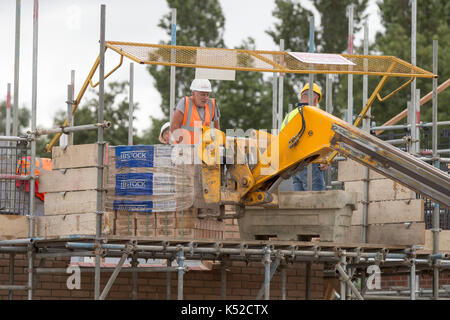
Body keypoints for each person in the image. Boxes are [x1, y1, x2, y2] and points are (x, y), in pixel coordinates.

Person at [280, 82, 328, 191]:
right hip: (309, 162)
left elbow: (282, 139)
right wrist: (324, 159)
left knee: (300, 202)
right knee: (316, 199)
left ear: (302, 96)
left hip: (293, 165)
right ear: (315, 99)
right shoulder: (314, 114)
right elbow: (320, 139)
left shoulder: (289, 115)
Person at [170, 79, 220, 144]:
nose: (206, 98)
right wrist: (184, 147)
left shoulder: (212, 104)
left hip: (203, 151)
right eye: (202, 95)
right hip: (184, 151)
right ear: (193, 93)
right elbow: (174, 127)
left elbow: (217, 129)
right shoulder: (184, 103)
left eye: (207, 95)